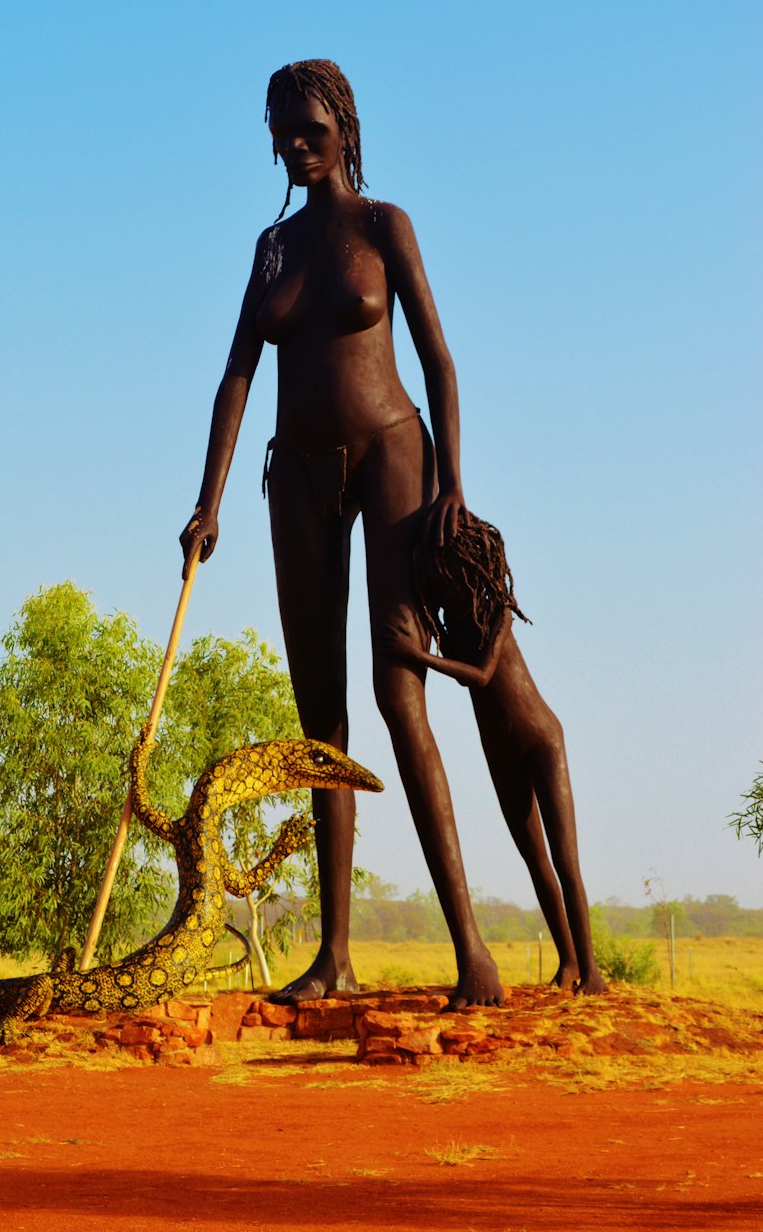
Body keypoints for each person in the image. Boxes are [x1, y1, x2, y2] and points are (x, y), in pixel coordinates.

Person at [180, 59, 503, 1008]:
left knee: (400, 687)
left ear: (344, 125)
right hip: (300, 476)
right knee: (319, 715)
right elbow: (237, 374)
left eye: (308, 128)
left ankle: (472, 949)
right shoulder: (272, 249)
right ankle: (335, 957)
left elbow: (439, 358)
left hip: (395, 455)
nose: (293, 144)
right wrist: (211, 501)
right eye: (280, 131)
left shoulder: (383, 226)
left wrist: (452, 480)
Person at [380, 513, 607, 993]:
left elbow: (480, 677)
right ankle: (567, 963)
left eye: (452, 572)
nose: (447, 584)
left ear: (475, 568)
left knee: (566, 861)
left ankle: (592, 972)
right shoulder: (449, 626)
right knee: (535, 860)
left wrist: (416, 656)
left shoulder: (499, 613)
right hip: (499, 750)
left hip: (542, 742)